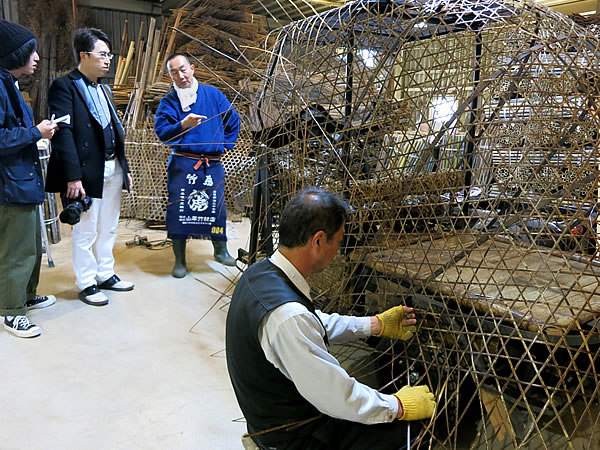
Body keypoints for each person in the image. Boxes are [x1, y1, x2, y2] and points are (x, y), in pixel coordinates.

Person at [226, 187, 436, 449]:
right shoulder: (288, 318)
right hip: (293, 437)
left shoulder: (260, 273)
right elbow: (338, 396)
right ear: (318, 241)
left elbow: (313, 322)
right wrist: (399, 406)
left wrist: (375, 325)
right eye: (338, 241)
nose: (338, 249)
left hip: (271, 416)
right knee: (410, 432)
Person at [45, 28, 133, 306]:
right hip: (86, 171)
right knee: (86, 229)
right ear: (84, 55)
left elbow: (114, 131)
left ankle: (105, 273)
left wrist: (125, 167)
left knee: (109, 226)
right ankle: (86, 282)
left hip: (112, 167)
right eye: (103, 54)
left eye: (110, 55)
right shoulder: (64, 86)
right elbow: (64, 133)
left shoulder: (104, 89)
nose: (109, 60)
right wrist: (72, 177)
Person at [154, 53, 241, 278]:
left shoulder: (213, 94)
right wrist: (183, 124)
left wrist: (224, 144)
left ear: (192, 68)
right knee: (179, 211)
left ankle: (220, 251)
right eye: (174, 72)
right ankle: (180, 259)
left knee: (216, 208)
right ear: (169, 76)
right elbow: (162, 132)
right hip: (183, 164)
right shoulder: (169, 102)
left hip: (211, 164)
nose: (180, 75)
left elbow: (233, 120)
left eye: (183, 69)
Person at [0, 20, 58, 338]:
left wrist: (37, 132)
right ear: (14, 54)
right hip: (9, 184)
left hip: (22, 178)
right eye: (31, 51)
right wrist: (37, 132)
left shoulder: (10, 84)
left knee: (32, 246)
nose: (36, 57)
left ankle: (26, 296)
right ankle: (11, 312)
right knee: (16, 251)